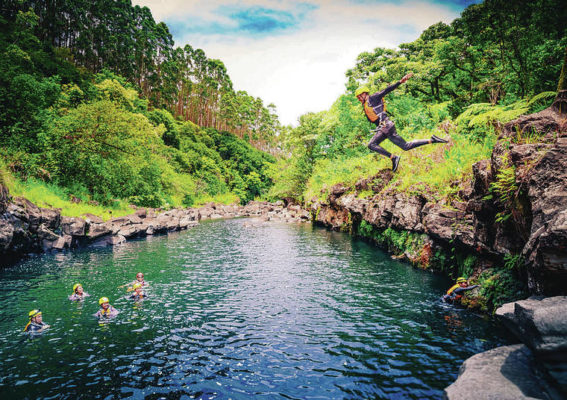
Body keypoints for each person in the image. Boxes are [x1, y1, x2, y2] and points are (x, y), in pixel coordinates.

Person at [355, 73, 448, 172]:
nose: (359, 98)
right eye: (358, 97)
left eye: (360, 96)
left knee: (371, 144)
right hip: (387, 127)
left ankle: (394, 158)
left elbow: (386, 90)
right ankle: (432, 140)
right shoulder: (366, 104)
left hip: (386, 126)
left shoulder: (373, 98)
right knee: (406, 146)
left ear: (365, 93)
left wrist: (400, 81)